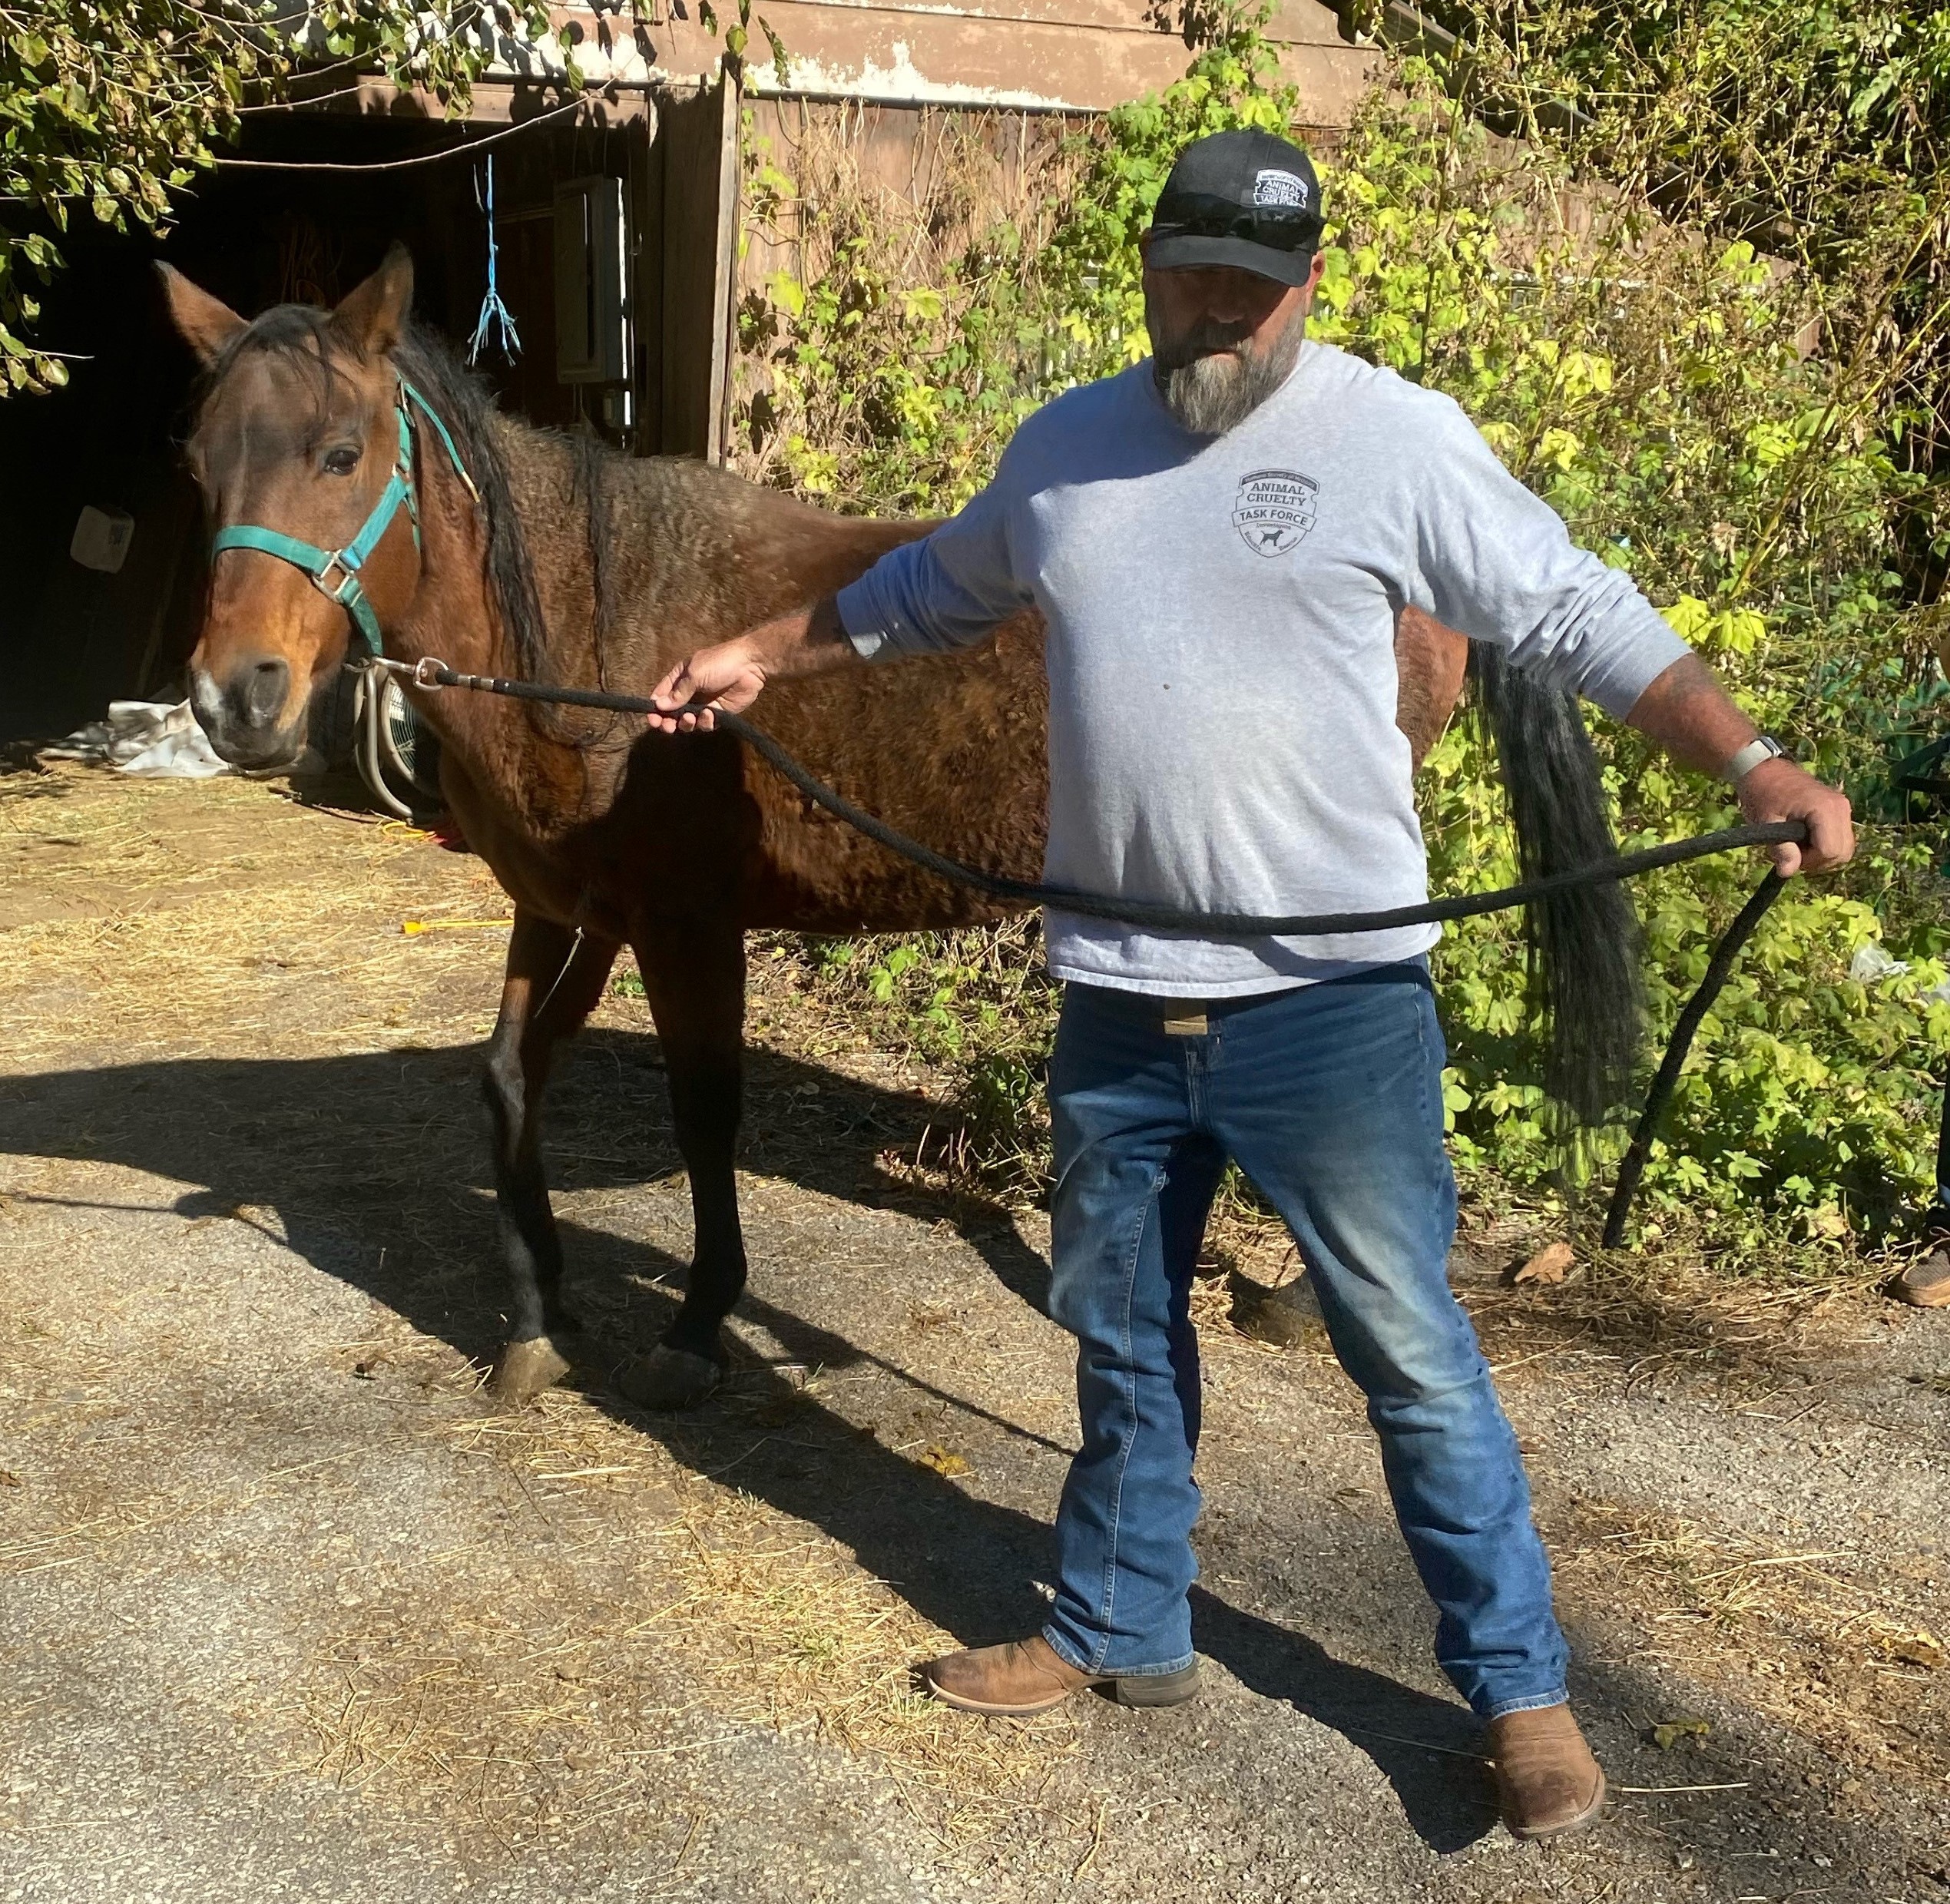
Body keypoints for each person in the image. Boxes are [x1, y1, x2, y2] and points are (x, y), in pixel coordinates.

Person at [647, 129, 1856, 1839]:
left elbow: (1575, 611)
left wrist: (1753, 759)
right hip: (1119, 998)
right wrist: (757, 653)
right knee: (1121, 1332)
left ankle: (1517, 1693)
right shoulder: (1065, 449)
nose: (1217, 311)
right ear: (1146, 264)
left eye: (1253, 283)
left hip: (1331, 1007)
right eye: (1189, 272)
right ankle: (1120, 1623)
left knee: (1410, 1356)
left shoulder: (1395, 440)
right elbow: (928, 589)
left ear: (1306, 284)